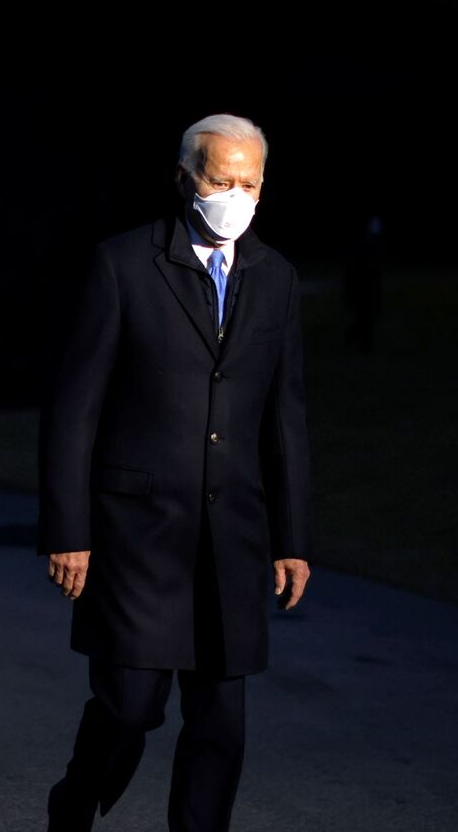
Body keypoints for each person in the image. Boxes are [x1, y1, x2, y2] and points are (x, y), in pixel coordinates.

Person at [38, 113, 313, 832]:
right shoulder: (122, 265)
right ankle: (75, 800)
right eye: (222, 180)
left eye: (249, 183)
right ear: (185, 177)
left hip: (232, 539)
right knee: (131, 707)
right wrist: (69, 530)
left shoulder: (276, 278)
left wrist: (293, 538)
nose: (236, 196)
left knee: (220, 726)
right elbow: (74, 410)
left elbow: (284, 417)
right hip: (137, 536)